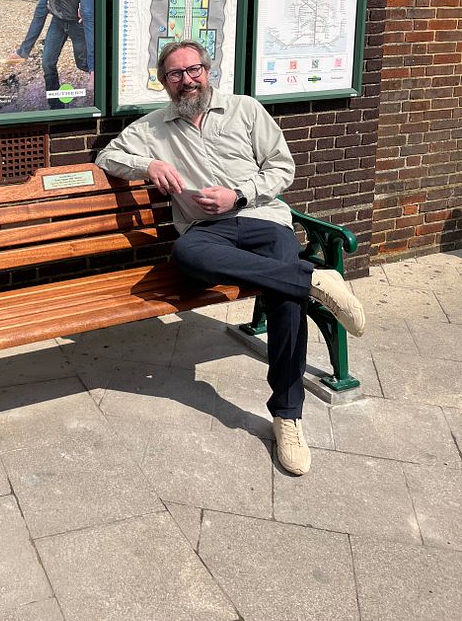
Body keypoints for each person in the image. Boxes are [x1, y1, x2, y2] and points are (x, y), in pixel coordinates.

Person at [94, 38, 366, 476]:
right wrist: (150, 167)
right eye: (175, 74)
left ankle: (287, 415)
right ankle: (313, 279)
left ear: (209, 70)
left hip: (263, 218)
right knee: (187, 253)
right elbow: (108, 156)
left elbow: (283, 168)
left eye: (194, 69)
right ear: (163, 82)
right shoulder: (154, 127)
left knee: (284, 300)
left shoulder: (246, 110)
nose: (187, 80)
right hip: (207, 233)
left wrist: (238, 193)